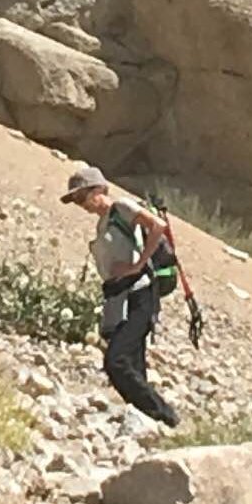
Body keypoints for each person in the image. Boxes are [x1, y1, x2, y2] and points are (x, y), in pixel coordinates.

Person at [60, 163, 178, 427]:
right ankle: (146, 419)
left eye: (82, 196)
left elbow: (157, 226)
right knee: (132, 362)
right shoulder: (103, 224)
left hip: (140, 293)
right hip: (121, 298)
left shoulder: (121, 208)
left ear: (99, 189)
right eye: (76, 200)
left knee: (117, 360)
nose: (81, 204)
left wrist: (137, 265)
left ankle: (165, 415)